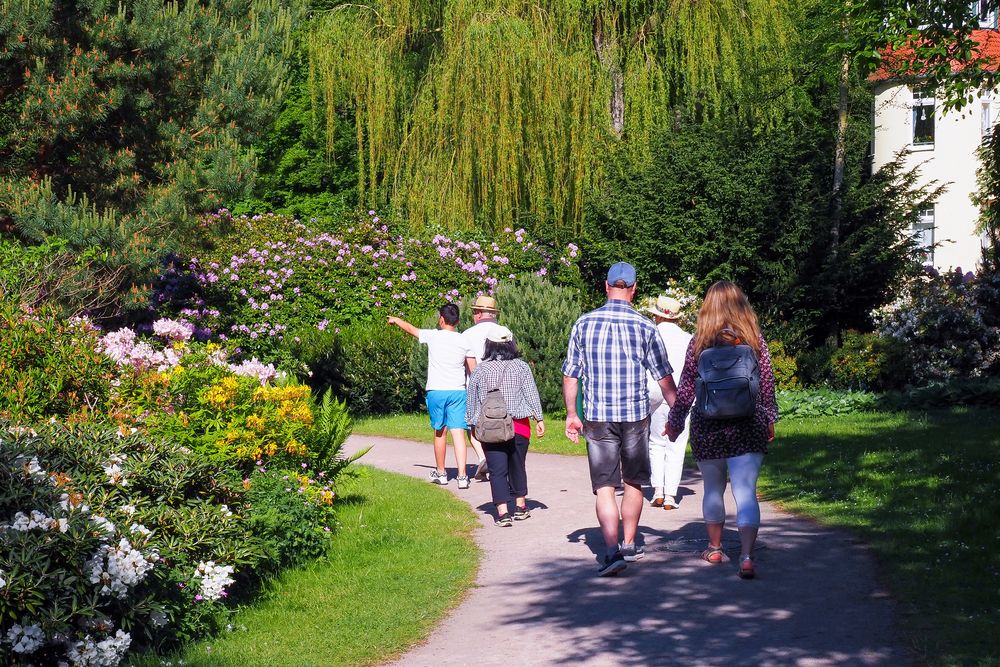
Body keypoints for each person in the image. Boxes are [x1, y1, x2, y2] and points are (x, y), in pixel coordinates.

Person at [562, 261, 678, 577]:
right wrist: (677, 415)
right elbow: (664, 378)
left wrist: (573, 414)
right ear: (634, 289)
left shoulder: (583, 324)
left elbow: (571, 375)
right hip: (636, 416)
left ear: (606, 285)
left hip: (598, 417)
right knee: (633, 481)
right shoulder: (646, 327)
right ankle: (629, 543)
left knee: (604, 487)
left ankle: (611, 552)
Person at [665, 281, 778, 580]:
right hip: (747, 426)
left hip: (708, 426)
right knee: (745, 492)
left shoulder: (699, 343)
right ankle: (746, 556)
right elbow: (766, 384)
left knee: (713, 488)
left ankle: (714, 548)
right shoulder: (754, 341)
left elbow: (687, 388)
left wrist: (675, 423)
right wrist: (769, 419)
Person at [388, 304, 474, 489]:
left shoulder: (434, 335)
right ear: (458, 321)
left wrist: (396, 320)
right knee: (458, 432)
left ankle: (441, 473)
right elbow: (472, 369)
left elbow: (411, 329)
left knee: (440, 431)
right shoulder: (464, 341)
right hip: (458, 391)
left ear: (441, 319)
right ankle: (462, 476)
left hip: (436, 390)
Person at [465, 327, 544, 527]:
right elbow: (531, 393)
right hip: (519, 426)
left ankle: (502, 513)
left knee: (497, 470)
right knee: (518, 465)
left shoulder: (480, 370)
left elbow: (472, 399)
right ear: (511, 343)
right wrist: (539, 418)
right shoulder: (521, 367)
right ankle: (520, 507)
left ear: (488, 345)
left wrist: (472, 423)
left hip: (490, 427)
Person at [643, 295, 693, 509]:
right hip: (681, 395)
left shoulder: (651, 334)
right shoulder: (688, 338)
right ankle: (671, 495)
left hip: (654, 391)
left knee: (655, 442)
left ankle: (658, 491)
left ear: (657, 315)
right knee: (677, 443)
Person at [462, 294, 506, 480]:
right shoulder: (505, 330)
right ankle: (497, 462)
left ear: (479, 314)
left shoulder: (467, 335)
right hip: (502, 385)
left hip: (475, 385)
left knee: (474, 424)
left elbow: (465, 362)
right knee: (500, 423)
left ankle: (483, 458)